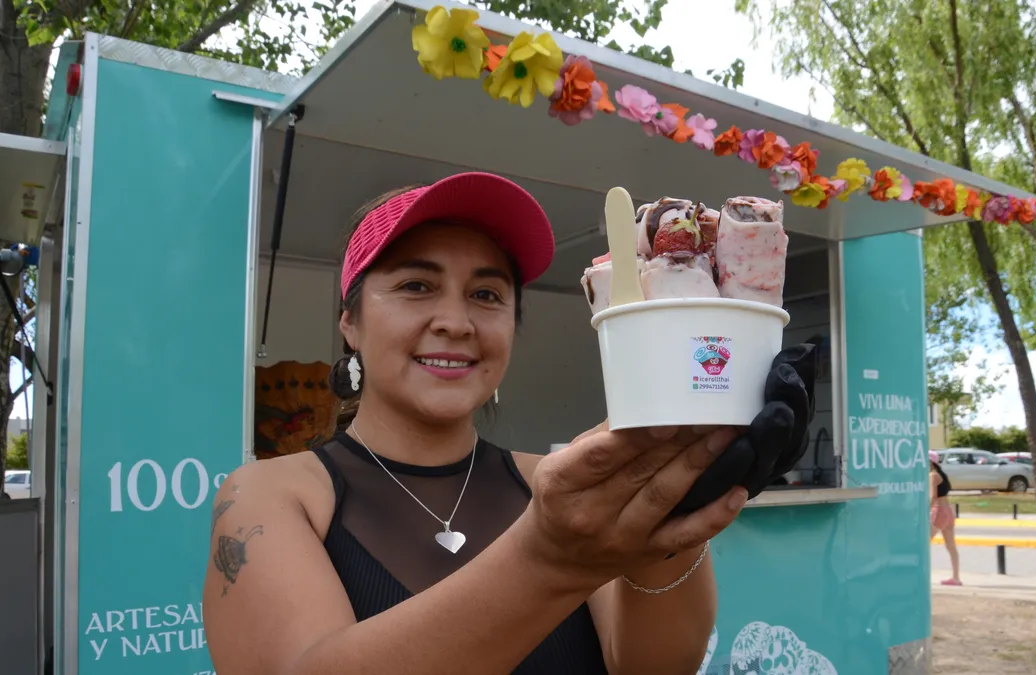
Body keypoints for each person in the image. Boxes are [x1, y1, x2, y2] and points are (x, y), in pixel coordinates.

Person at [202, 171, 817, 675]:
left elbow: (652, 666)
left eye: (487, 295)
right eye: (416, 285)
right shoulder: (268, 495)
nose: (456, 321)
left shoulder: (552, 484)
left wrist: (679, 505)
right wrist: (550, 558)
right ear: (350, 322)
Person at [929, 452, 961, 586]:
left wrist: (925, 511)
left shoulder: (932, 475)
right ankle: (956, 577)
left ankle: (921, 575)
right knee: (951, 546)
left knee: (923, 544)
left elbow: (932, 496)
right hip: (948, 510)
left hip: (938, 511)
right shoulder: (942, 475)